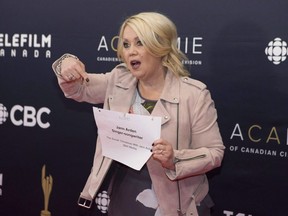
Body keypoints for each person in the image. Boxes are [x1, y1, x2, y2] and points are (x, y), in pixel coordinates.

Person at [52, 12, 225, 216]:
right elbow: (79, 88)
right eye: (126, 45)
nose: (131, 52)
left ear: (160, 47)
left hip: (176, 203)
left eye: (139, 43)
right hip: (124, 195)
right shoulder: (118, 80)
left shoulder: (194, 95)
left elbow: (215, 152)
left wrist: (175, 158)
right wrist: (65, 64)